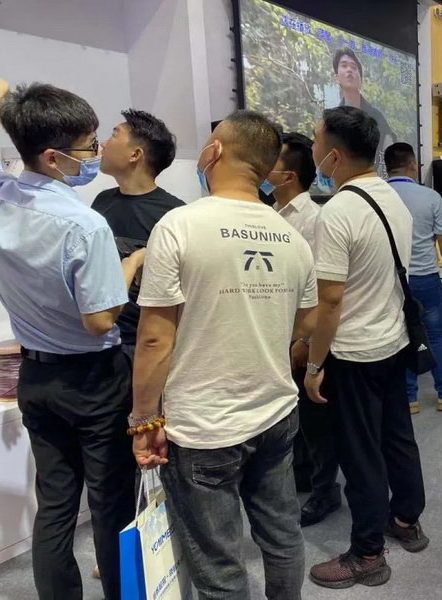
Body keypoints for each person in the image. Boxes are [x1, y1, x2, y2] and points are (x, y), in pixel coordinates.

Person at [131, 110, 315, 599]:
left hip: (202, 425)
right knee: (282, 533)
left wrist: (143, 420)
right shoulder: (293, 238)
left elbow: (154, 339)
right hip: (276, 410)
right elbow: (305, 323)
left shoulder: (180, 226)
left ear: (213, 153)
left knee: (218, 562)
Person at [0, 78, 143, 600]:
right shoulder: (85, 225)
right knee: (111, 504)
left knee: (55, 505)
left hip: (36, 377)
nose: (97, 153)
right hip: (93, 379)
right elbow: (99, 320)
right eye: (90, 146)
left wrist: (2, 93)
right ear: (54, 158)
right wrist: (131, 265)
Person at [304, 106, 427, 589]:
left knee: (360, 454)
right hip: (394, 340)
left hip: (354, 352)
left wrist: (314, 364)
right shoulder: (392, 198)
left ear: (334, 156)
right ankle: (406, 518)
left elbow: (330, 301)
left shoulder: (338, 211)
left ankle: (368, 554)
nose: (314, 149)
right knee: (397, 436)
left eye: (317, 141)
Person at [266, 131, 342, 528]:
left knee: (316, 421)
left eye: (272, 163)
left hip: (302, 337)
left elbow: (321, 291)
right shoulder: (268, 214)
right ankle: (303, 476)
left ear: (290, 175)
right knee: (289, 416)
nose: (264, 170)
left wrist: (306, 341)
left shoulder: (313, 219)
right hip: (273, 333)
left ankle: (326, 490)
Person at [93, 109, 183, 358]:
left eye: (114, 135)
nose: (103, 144)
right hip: (102, 338)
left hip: (146, 344)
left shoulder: (175, 214)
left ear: (135, 154)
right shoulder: (102, 202)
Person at [385, 142, 442, 414]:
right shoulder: (430, 197)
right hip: (426, 277)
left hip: (391, 282)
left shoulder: (377, 196)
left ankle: (409, 399)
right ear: (412, 166)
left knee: (402, 337)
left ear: (386, 167)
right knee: (436, 336)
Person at [332, 48, 395, 173]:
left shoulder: (377, 117)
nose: (349, 70)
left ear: (360, 79)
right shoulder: (332, 120)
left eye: (354, 67)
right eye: (344, 66)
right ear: (336, 78)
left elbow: (389, 155)